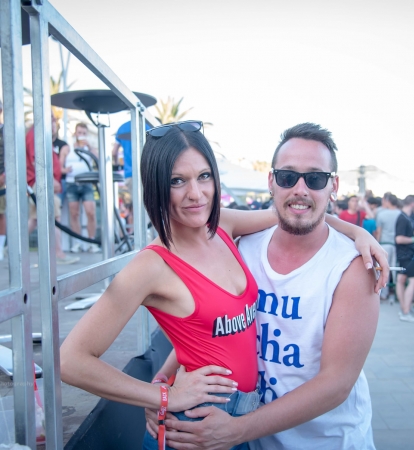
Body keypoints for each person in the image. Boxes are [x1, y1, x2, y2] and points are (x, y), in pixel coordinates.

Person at [60, 121, 387, 450]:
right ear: (156, 186)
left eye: (204, 176)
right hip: (197, 425)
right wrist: (161, 395)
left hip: (242, 425)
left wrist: (358, 233)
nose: (195, 193)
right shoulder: (150, 266)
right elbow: (70, 361)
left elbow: (297, 210)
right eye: (177, 181)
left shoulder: (224, 226)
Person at [26, 115, 79, 265]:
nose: (54, 125)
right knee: (54, 217)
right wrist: (51, 180)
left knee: (34, 219)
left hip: (40, 182)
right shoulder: (35, 134)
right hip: (41, 183)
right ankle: (58, 253)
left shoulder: (40, 134)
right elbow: (36, 160)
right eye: (52, 121)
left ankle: (13, 248)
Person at [63, 122, 100, 253]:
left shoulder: (89, 149)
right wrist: (65, 170)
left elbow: (98, 159)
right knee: (74, 214)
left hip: (87, 183)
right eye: (79, 133)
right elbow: (59, 167)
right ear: (75, 133)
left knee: (91, 212)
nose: (81, 135)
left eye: (84, 133)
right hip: (71, 183)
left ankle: (92, 242)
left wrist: (89, 147)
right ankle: (77, 242)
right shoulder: (67, 148)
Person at [112, 120, 152, 231]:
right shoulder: (145, 126)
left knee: (138, 206)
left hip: (130, 173)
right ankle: (146, 237)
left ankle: (139, 235)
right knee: (146, 206)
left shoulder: (121, 128)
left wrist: (117, 164)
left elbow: (114, 152)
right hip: (146, 171)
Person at [395, 195, 414, 323]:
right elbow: (399, 239)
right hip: (406, 254)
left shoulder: (406, 217)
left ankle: (404, 309)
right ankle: (406, 311)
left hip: (405, 254)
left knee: (401, 279)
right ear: (412, 203)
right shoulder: (403, 218)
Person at [376, 193, 401, 299]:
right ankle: (396, 293)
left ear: (387, 201)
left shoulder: (382, 214)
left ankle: (384, 293)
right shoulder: (400, 213)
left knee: (384, 268)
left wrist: (376, 244)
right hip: (396, 245)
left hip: (384, 244)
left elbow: (379, 231)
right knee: (395, 269)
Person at [0, 100, 6, 260]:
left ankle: (0, 248)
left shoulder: (6, 130)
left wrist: (5, 175)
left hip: (2, 177)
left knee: (0, 214)